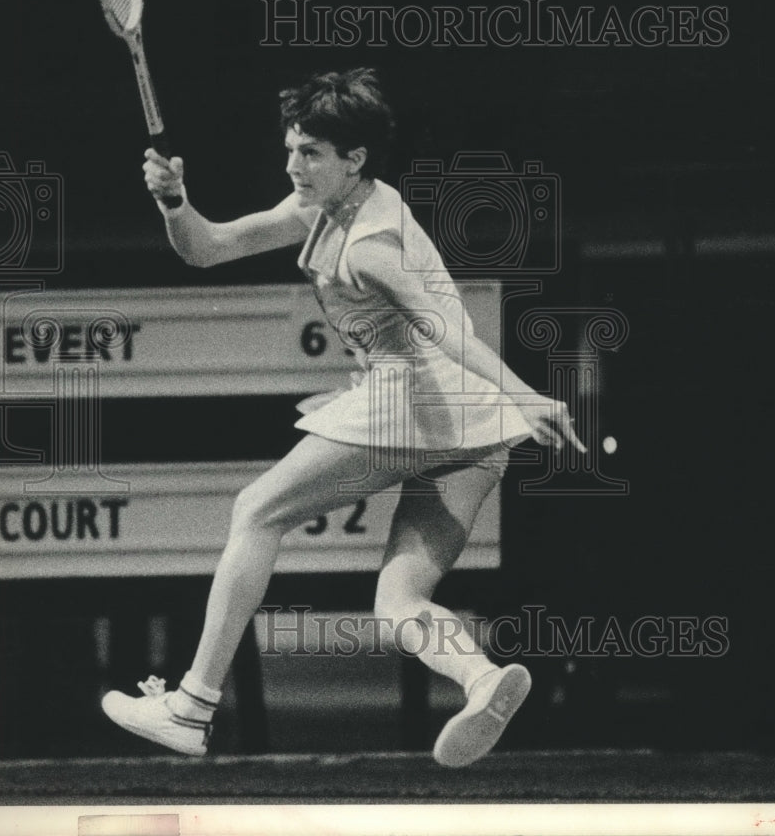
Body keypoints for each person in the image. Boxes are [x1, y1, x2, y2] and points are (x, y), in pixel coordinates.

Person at [101, 68, 584, 767]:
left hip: (413, 403)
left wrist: (524, 391)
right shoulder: (331, 207)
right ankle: (482, 681)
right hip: (476, 435)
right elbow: (208, 248)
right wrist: (175, 201)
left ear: (353, 160)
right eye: (293, 148)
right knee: (399, 602)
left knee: (257, 510)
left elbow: (445, 327)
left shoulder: (369, 245)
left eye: (311, 154)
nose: (293, 165)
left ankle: (192, 706)